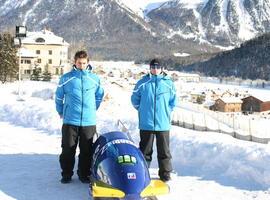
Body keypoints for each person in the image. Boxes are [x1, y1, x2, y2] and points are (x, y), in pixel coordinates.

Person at [55, 50, 104, 184]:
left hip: (89, 122)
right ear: (75, 63)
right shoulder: (66, 78)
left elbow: (99, 96)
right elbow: (59, 96)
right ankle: (66, 174)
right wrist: (61, 111)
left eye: (84, 63)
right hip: (70, 120)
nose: (81, 65)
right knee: (67, 149)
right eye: (79, 63)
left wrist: (93, 108)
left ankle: (84, 174)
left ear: (88, 63)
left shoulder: (94, 79)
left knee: (86, 151)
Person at [131, 59, 177, 182]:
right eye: (153, 67)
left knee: (164, 151)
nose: (155, 69)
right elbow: (134, 99)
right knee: (145, 150)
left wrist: (166, 111)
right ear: (149, 68)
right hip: (146, 123)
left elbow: (173, 101)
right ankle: (143, 172)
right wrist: (142, 110)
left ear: (162, 68)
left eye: (157, 67)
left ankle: (165, 173)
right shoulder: (142, 83)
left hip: (163, 124)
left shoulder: (168, 84)